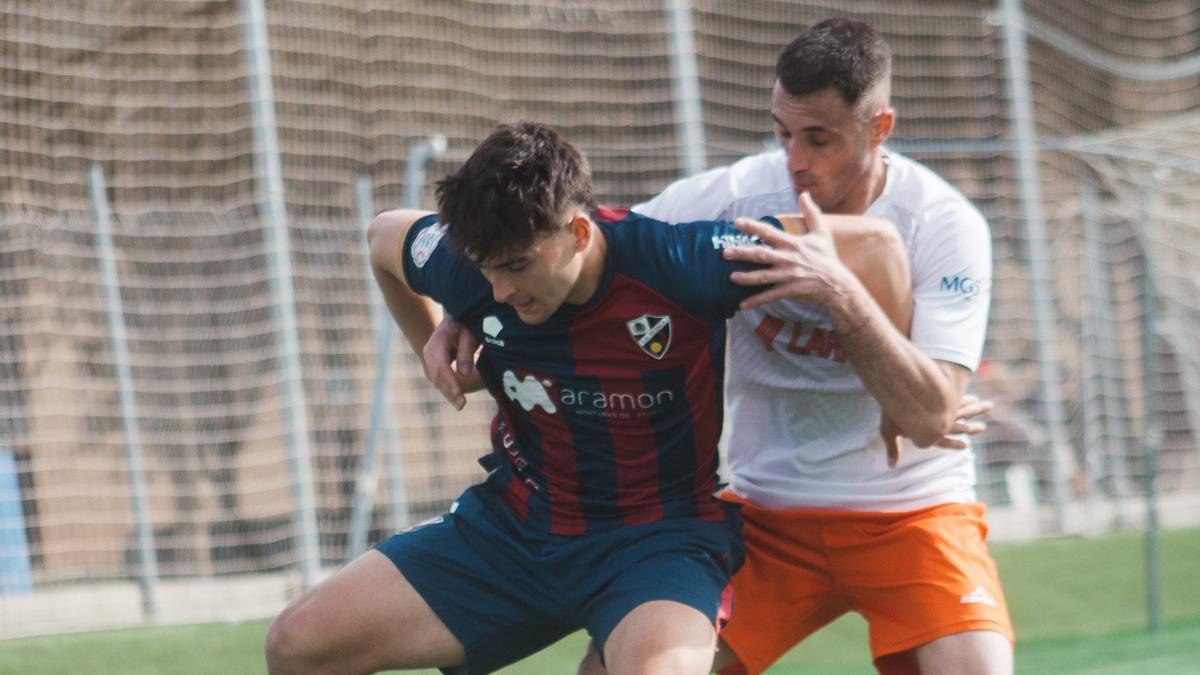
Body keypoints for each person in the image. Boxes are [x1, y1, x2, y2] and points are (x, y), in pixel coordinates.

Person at [425, 18, 1013, 675]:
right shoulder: (735, 200)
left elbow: (932, 416)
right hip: (765, 514)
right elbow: (586, 243)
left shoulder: (943, 224)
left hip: (913, 513)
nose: (794, 159)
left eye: (819, 138)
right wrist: (468, 304)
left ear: (880, 128)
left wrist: (841, 296)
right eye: (783, 132)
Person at [263, 121, 910, 675]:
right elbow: (383, 236)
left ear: (577, 231)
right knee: (297, 645)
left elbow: (876, 246)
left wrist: (889, 390)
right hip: (515, 527)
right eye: (485, 268)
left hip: (655, 542)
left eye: (516, 266)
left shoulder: (682, 262)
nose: (499, 288)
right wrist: (434, 335)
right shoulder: (474, 268)